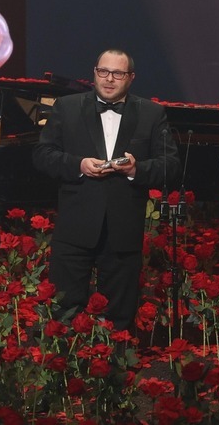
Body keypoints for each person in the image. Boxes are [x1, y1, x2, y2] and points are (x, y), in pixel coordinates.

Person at [32, 49, 180, 334]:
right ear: (95, 72)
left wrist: (136, 169)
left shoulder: (151, 113)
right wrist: (79, 165)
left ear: (131, 77)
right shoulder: (67, 107)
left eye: (118, 73)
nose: (109, 79)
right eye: (104, 72)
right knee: (64, 315)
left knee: (119, 318)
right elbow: (42, 155)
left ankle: (115, 361)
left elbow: (170, 165)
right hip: (74, 230)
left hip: (123, 230)